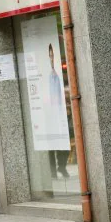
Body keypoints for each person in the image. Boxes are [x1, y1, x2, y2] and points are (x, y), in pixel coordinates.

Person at [48, 43, 69, 179]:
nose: (52, 58)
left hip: (62, 113)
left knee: (65, 142)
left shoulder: (61, 73)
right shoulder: (46, 74)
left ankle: (61, 166)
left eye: (53, 55)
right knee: (51, 144)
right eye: (50, 55)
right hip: (50, 113)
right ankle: (53, 171)